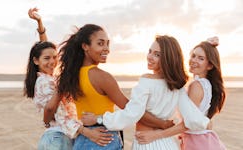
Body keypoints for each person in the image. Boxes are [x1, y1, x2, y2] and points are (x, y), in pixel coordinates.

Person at [29, 8, 176, 150]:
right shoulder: (101, 77)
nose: (106, 49)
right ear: (85, 46)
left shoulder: (70, 75)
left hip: (81, 140)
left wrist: (40, 26)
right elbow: (132, 110)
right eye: (100, 43)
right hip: (103, 138)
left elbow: (45, 51)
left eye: (107, 43)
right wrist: (161, 123)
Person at [81, 35, 211, 150]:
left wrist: (99, 118)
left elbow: (130, 115)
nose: (150, 57)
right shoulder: (178, 86)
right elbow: (194, 119)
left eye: (157, 54)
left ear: (167, 59)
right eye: (150, 52)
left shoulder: (146, 82)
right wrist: (205, 122)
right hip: (168, 144)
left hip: (146, 143)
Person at [135, 37, 226, 150]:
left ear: (210, 65)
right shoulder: (206, 84)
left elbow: (189, 123)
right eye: (193, 56)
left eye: (201, 58)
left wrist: (155, 135)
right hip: (205, 139)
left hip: (197, 143)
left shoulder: (196, 86)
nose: (194, 61)